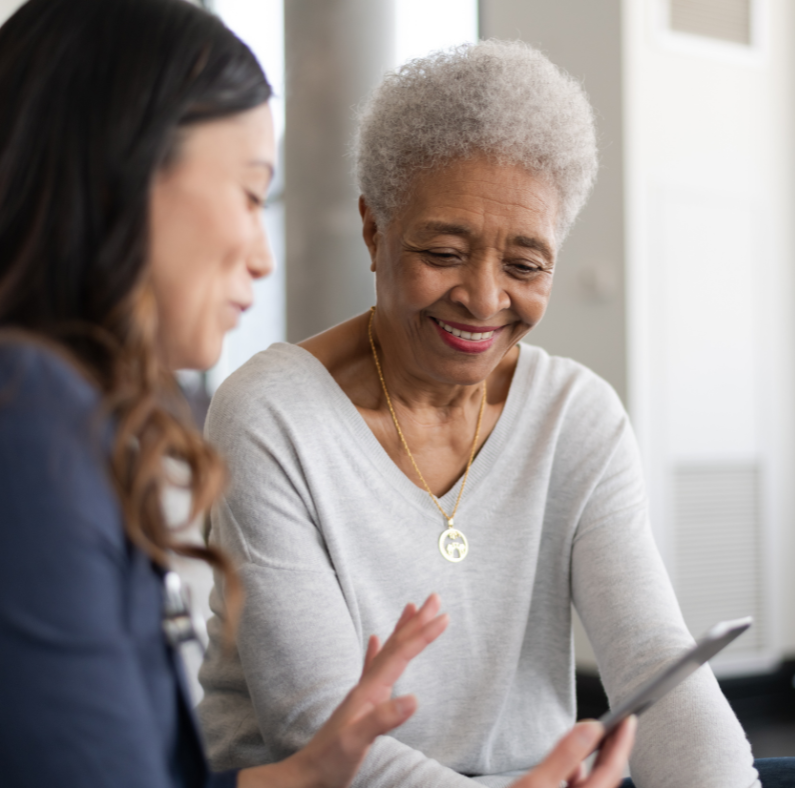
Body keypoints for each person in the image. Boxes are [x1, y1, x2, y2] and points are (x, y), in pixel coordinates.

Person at [196, 41, 795, 788]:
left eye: (524, 265)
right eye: (444, 252)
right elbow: (319, 729)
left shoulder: (576, 416)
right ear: (374, 228)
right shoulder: (272, 414)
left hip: (536, 779)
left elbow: (652, 657)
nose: (484, 300)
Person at [0, 3, 636, 787]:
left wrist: (310, 772)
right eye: (247, 194)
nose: (265, 258)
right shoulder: (29, 425)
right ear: (116, 185)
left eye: (525, 264)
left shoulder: (64, 418)